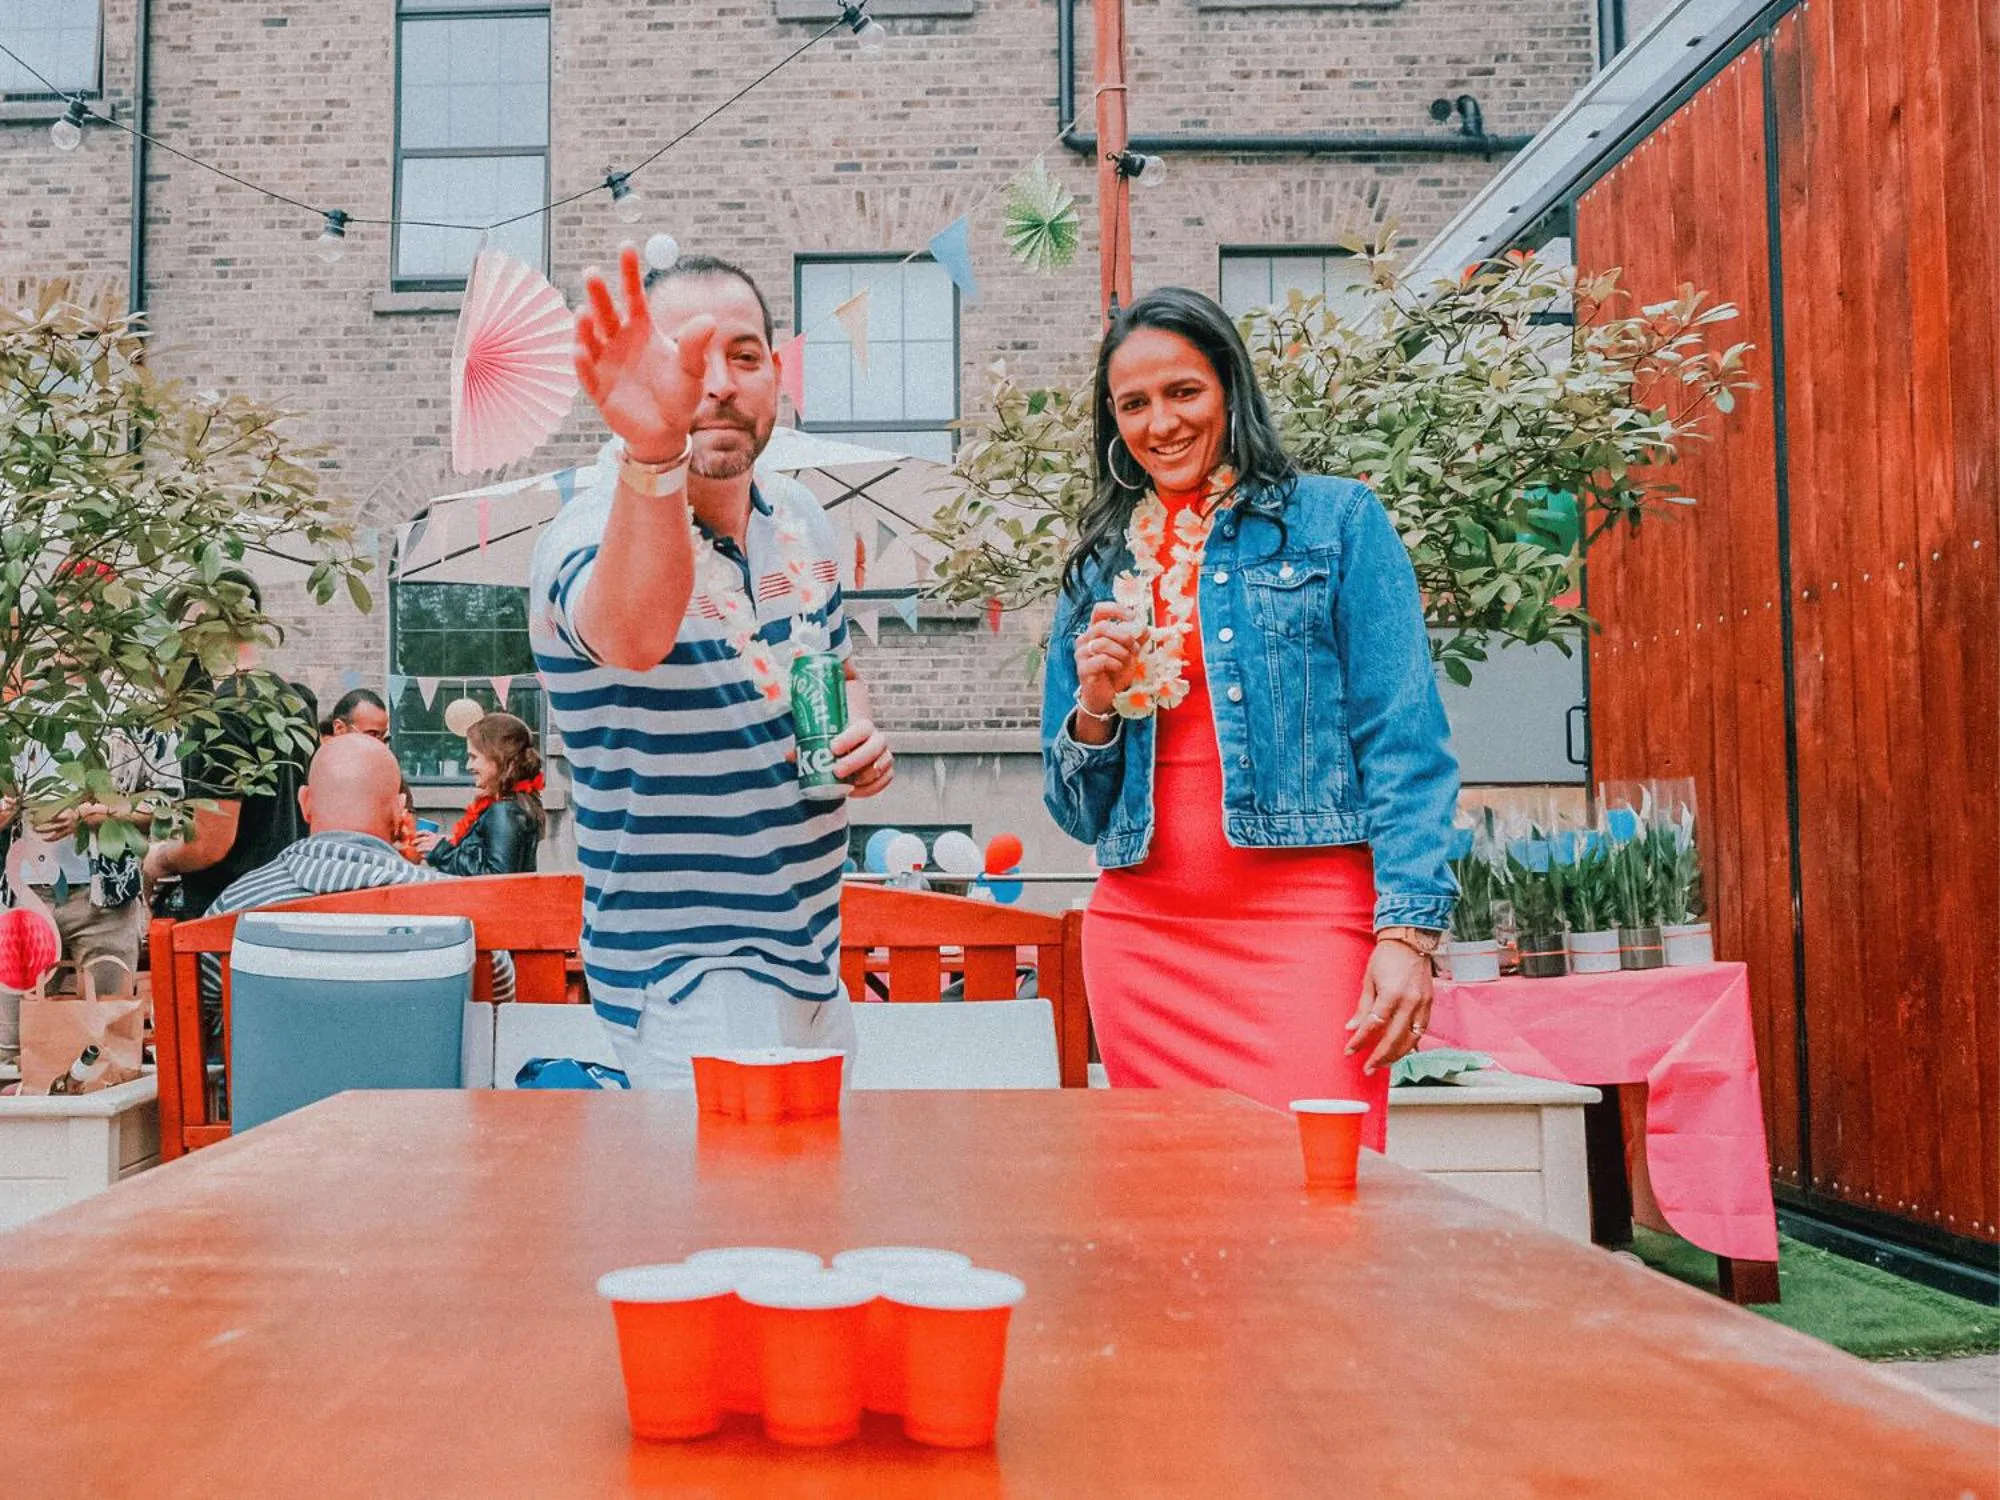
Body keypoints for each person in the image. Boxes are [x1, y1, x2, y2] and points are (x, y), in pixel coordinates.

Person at [1040, 287, 1458, 1147]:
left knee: (1318, 1203)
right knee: (1177, 1226)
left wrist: (1409, 935)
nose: (1161, 422)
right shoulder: (1099, 569)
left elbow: (1404, 741)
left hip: (1308, 932)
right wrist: (1095, 708)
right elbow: (1075, 813)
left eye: (1184, 391)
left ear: (1231, 388)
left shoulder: (1337, 522)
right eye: (1134, 404)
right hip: (1144, 943)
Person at [529, 246, 894, 1089]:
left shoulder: (799, 518)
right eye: (685, 358)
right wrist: (654, 454)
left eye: (745, 354)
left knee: (810, 1220)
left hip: (814, 957)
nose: (719, 380)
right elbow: (631, 633)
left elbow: (832, 669)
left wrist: (858, 731)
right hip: (688, 974)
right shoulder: (586, 536)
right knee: (730, 1223)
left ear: (777, 375)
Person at [202, 734, 515, 1007]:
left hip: (276, 1076)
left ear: (305, 803)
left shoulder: (237, 906)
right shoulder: (458, 914)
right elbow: (499, 1003)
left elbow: (200, 1011)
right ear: (399, 810)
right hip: (421, 1077)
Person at [142, 569, 313, 918]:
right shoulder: (292, 701)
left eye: (182, 624)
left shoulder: (219, 716)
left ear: (201, 623)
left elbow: (208, 844)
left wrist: (158, 858)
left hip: (227, 921)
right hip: (288, 903)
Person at [418, 711, 543, 876]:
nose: (468, 766)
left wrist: (441, 851)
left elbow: (497, 878)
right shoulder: (512, 805)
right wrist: (454, 844)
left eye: (473, 757)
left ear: (498, 758)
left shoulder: (504, 811)